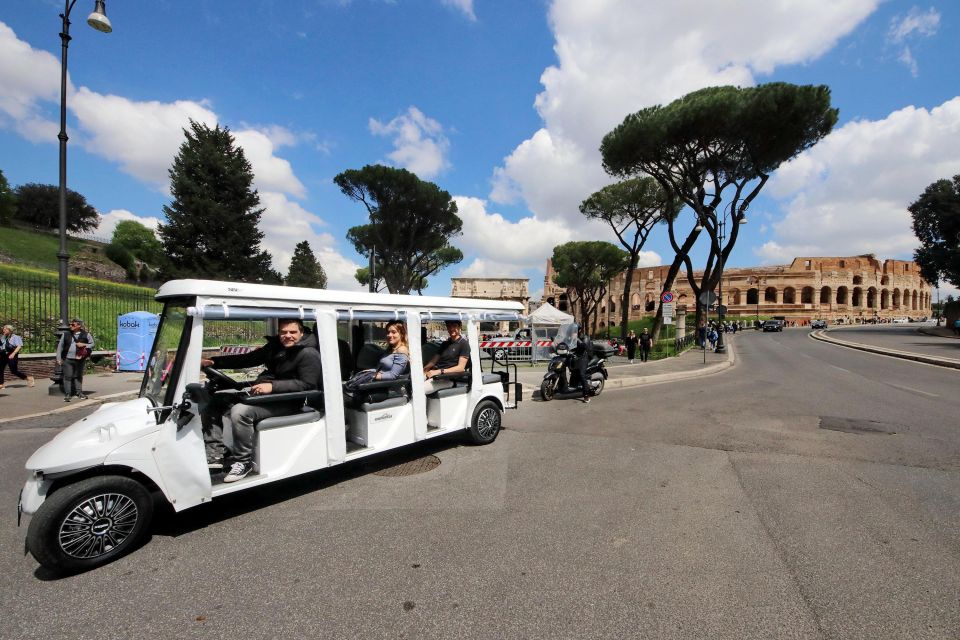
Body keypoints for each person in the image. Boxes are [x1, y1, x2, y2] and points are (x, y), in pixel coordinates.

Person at [200, 318, 322, 483]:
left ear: (301, 332)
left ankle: (243, 462)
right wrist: (215, 361)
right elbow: (248, 359)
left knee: (240, 412)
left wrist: (272, 386)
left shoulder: (308, 353)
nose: (287, 336)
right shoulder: (276, 347)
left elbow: (308, 384)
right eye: (283, 332)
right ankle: (215, 455)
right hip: (268, 396)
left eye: (292, 332)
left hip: (289, 401)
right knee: (216, 401)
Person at [423, 320, 470, 393]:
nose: (451, 329)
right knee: (412, 383)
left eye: (454, 326)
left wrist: (439, 372)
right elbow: (433, 361)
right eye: (449, 326)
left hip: (448, 378)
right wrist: (424, 370)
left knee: (420, 389)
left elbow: (461, 368)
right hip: (437, 376)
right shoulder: (445, 344)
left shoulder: (464, 344)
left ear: (459, 326)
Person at [55, 318, 94, 402]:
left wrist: (84, 344)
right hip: (67, 359)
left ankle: (79, 393)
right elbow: (60, 347)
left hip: (80, 359)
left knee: (78, 376)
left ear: (79, 326)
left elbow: (92, 344)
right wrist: (58, 358)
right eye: (70, 324)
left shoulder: (86, 334)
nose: (70, 326)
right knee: (67, 377)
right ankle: (68, 394)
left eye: (73, 325)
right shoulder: (66, 334)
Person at [0, 325, 35, 389]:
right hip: (3, 355)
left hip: (12, 355)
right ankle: (1, 384)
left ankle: (28, 378)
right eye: (3, 329)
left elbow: (19, 346)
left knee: (14, 371)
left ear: (10, 330)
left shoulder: (15, 337)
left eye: (5, 329)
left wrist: (13, 353)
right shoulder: (3, 337)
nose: (3, 330)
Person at [574, 325, 593, 403]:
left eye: (574, 330)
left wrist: (577, 339)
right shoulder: (571, 336)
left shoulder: (584, 337)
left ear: (578, 330)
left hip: (583, 357)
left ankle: (586, 395)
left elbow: (584, 346)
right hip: (575, 356)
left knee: (582, 374)